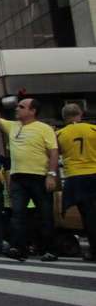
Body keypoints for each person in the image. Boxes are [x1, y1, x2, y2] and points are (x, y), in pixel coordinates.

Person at [0, 90, 59, 261]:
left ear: (32, 111)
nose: (17, 109)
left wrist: (51, 174)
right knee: (17, 214)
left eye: (21, 107)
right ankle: (18, 249)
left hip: (39, 176)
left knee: (44, 214)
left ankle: (49, 250)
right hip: (18, 178)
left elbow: (54, 152)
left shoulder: (44, 128)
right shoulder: (13, 126)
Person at [57, 103, 96, 261]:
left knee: (88, 214)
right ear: (81, 113)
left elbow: (55, 154)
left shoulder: (59, 134)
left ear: (64, 117)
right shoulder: (93, 129)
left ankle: (94, 249)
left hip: (75, 176)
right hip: (94, 171)